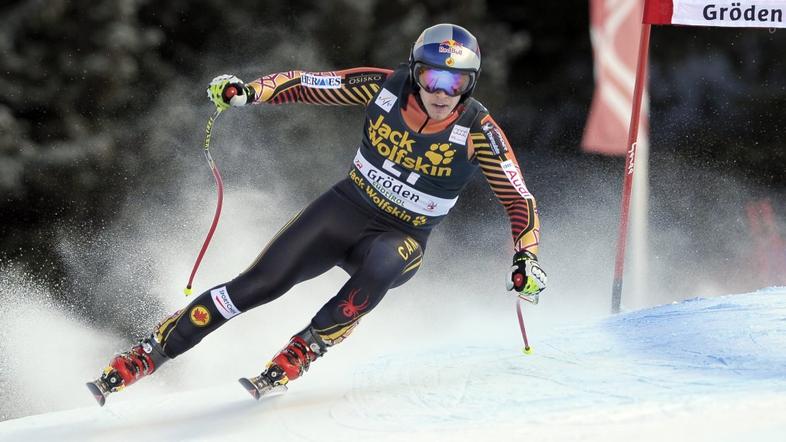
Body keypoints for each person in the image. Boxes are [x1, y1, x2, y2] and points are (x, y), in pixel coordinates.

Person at [87, 23, 547, 404]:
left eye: (457, 83)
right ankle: (150, 352)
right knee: (257, 285)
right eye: (432, 79)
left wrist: (526, 259)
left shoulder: (478, 131)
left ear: (471, 85)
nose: (442, 93)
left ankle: (304, 349)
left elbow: (519, 198)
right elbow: (308, 84)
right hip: (346, 207)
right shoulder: (384, 87)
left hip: (402, 235)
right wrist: (248, 92)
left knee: (385, 263)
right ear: (415, 73)